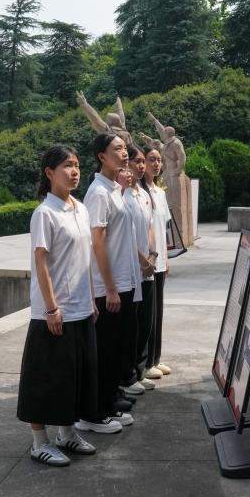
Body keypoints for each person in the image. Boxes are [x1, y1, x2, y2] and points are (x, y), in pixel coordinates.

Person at [16, 145, 100, 467]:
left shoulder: (80, 208)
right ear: (49, 173)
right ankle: (40, 442)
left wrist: (91, 299)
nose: (74, 171)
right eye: (67, 166)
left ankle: (67, 433)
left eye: (77, 165)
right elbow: (41, 262)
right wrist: (51, 308)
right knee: (44, 378)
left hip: (80, 307)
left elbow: (86, 258)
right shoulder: (44, 213)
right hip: (54, 311)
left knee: (73, 376)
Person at [78, 134, 138, 434]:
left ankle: (107, 404)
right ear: (101, 155)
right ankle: (93, 414)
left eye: (125, 148)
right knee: (104, 352)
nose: (124, 153)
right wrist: (110, 287)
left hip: (123, 283)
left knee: (116, 350)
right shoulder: (98, 192)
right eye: (117, 149)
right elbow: (97, 243)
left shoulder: (115, 189)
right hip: (106, 287)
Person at [122, 145, 159, 392]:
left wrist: (153, 256)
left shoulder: (143, 194)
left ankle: (139, 369)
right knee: (131, 327)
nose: (141, 166)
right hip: (133, 269)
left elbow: (149, 227)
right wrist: (142, 261)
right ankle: (128, 375)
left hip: (148, 268)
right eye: (137, 161)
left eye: (143, 161)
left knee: (145, 322)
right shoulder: (122, 195)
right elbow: (125, 235)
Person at [141, 146, 172, 378]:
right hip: (147, 263)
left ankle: (155, 358)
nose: (156, 164)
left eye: (159, 160)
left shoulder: (160, 193)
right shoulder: (140, 192)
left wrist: (167, 258)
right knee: (148, 315)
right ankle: (146, 363)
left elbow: (163, 230)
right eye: (152, 159)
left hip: (160, 261)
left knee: (158, 313)